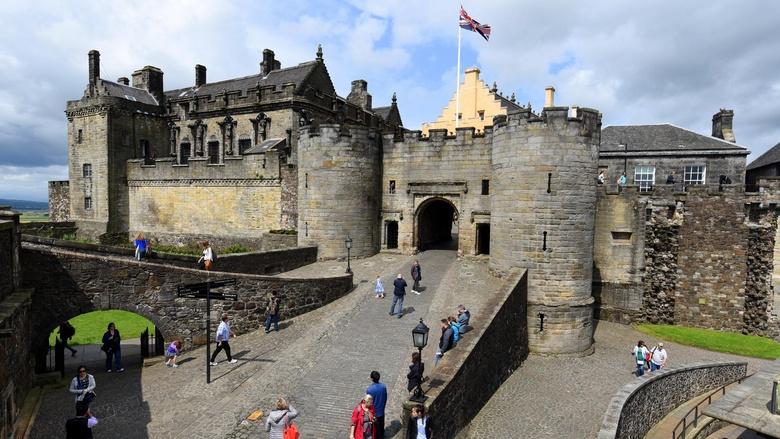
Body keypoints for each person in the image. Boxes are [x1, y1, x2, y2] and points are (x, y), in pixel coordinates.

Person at [366, 371, 387, 439]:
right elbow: (385, 398)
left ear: (372, 378)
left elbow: (368, 403)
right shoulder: (383, 387)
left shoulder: (370, 390)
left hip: (374, 412)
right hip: (381, 410)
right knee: (381, 426)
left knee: (375, 429)